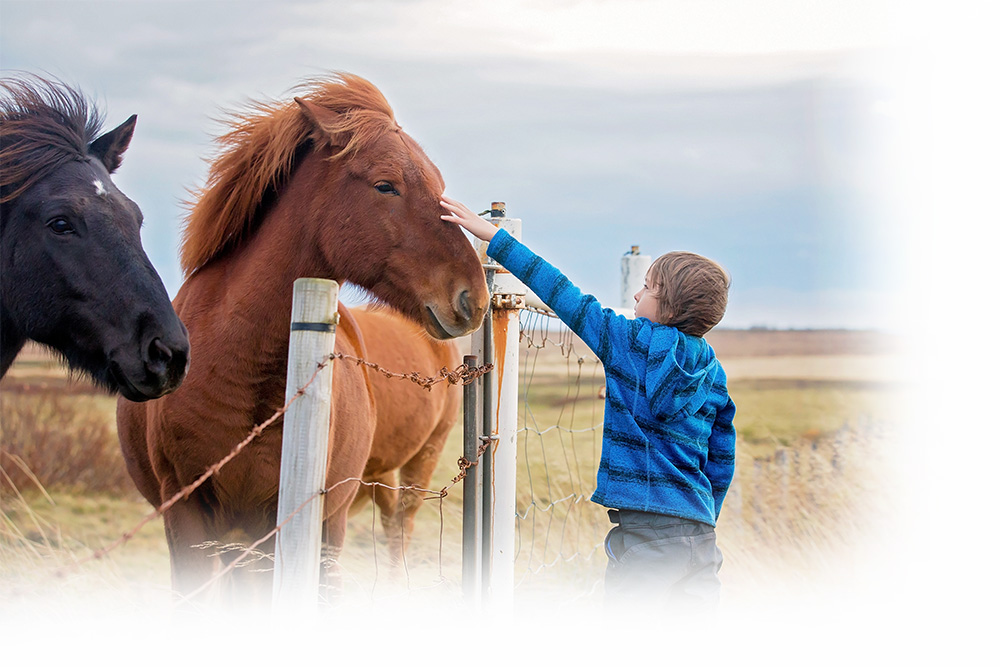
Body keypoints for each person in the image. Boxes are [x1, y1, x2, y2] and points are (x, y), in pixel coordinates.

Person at [440, 195, 736, 614]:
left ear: (669, 305)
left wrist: (493, 237)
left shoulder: (623, 340)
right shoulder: (712, 370)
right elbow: (721, 457)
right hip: (701, 538)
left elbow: (564, 294)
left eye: (648, 287)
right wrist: (704, 513)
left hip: (644, 538)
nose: (636, 294)